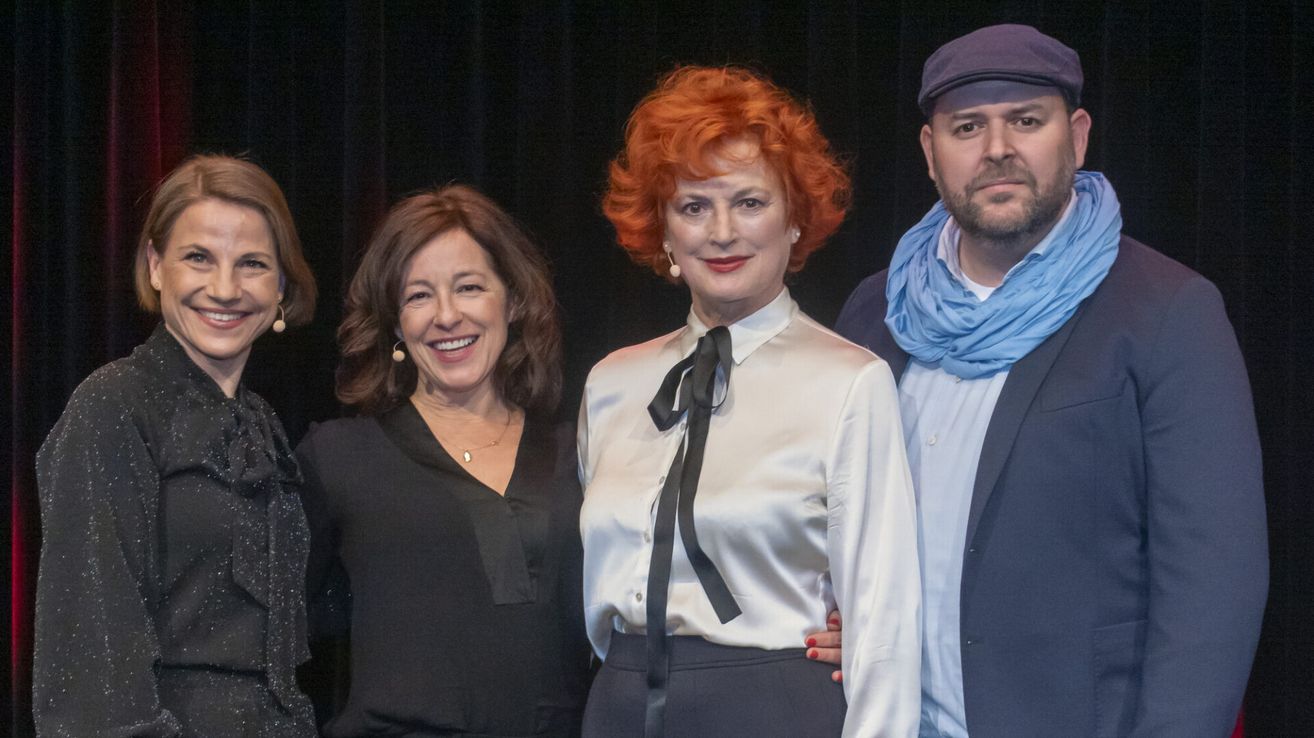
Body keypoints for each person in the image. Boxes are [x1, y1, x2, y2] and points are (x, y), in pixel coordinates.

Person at [835, 24, 1267, 738]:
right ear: (930, 153)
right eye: (967, 127)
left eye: (1027, 121)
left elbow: (1213, 586)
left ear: (1078, 136)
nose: (997, 148)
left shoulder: (1167, 312)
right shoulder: (876, 312)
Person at [579, 65, 920, 737]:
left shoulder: (850, 382)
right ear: (664, 231)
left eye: (750, 202)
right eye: (693, 206)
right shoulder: (611, 382)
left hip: (771, 708)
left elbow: (884, 626)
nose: (722, 231)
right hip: (621, 706)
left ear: (795, 220)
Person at [33, 154, 319, 736]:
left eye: (253, 264)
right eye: (198, 258)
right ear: (155, 265)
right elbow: (92, 664)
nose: (225, 289)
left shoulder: (262, 423)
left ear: (281, 285)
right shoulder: (113, 405)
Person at [295, 185, 592, 736]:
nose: (447, 316)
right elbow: (269, 633)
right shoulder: (337, 458)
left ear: (512, 301)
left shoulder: (579, 452)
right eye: (418, 296)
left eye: (469, 287)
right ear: (394, 323)